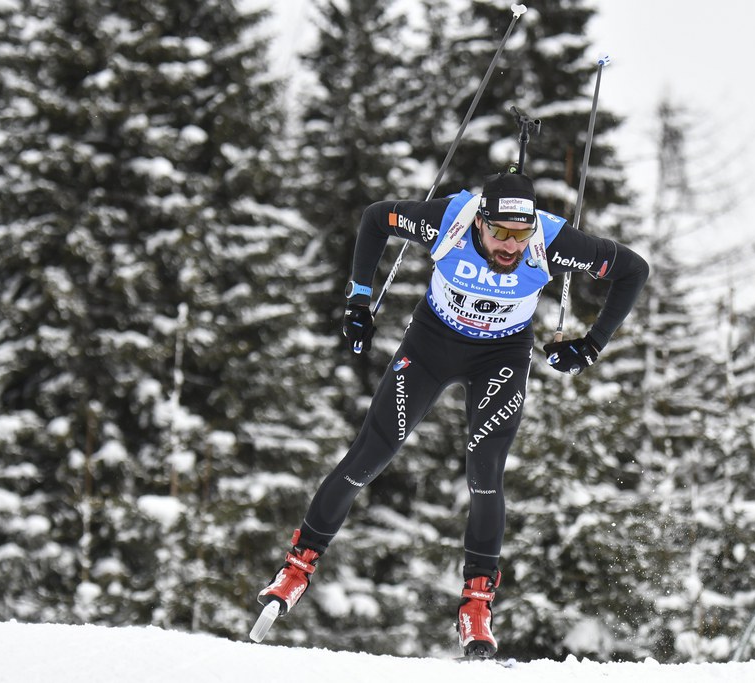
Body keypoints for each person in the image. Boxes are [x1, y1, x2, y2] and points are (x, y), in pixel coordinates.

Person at [258, 170, 649, 657]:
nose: (510, 246)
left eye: (520, 234)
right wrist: (359, 300)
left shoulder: (552, 239)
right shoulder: (448, 220)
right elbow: (376, 218)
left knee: (485, 473)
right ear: (480, 221)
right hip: (432, 344)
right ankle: (296, 569)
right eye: (500, 233)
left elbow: (633, 269)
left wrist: (591, 345)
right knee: (369, 455)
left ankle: (477, 603)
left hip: (501, 356)